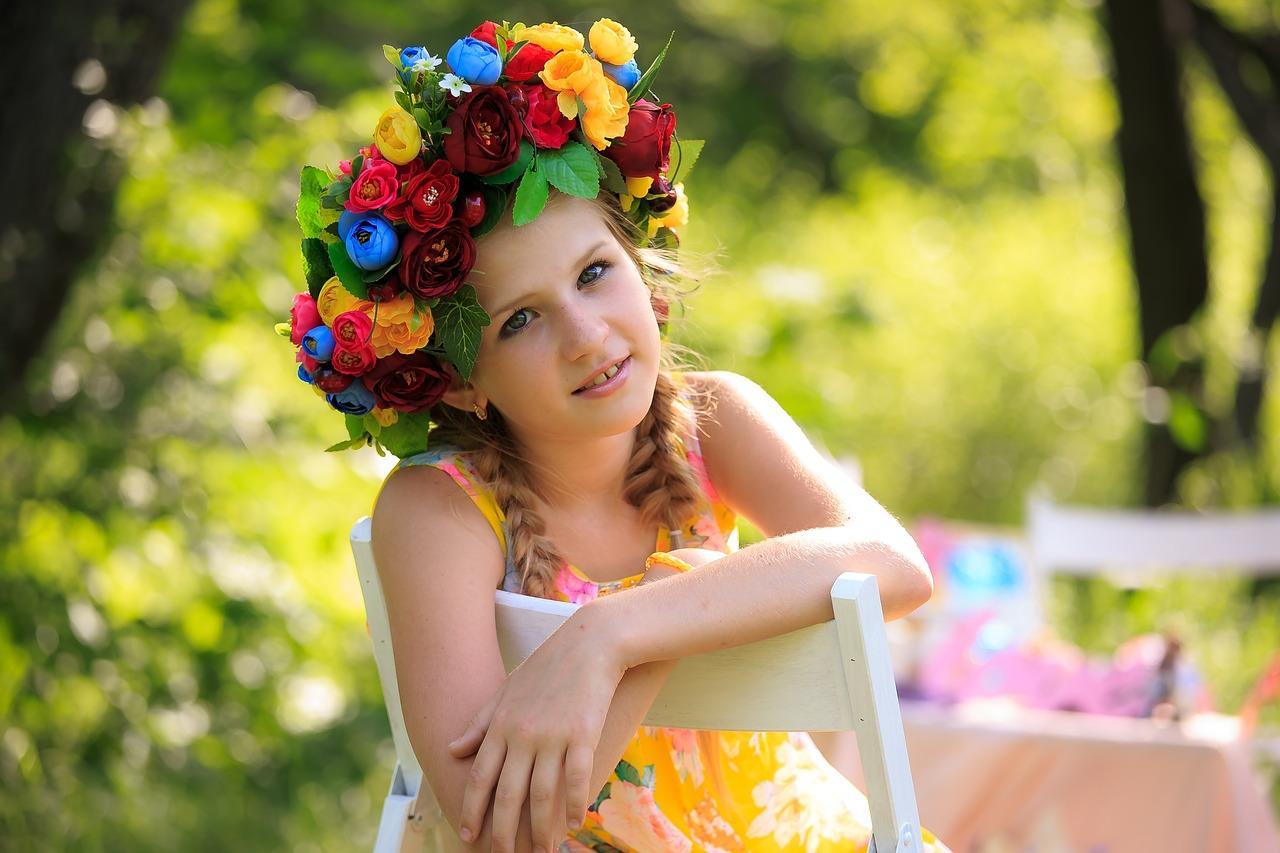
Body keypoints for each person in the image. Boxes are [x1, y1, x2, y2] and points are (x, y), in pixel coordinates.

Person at [282, 17, 948, 853]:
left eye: (595, 274)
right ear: (460, 379)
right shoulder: (440, 511)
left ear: (641, 268)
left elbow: (894, 565)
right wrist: (667, 630)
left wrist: (616, 631)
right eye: (521, 319)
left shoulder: (717, 421)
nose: (588, 337)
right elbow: (499, 834)